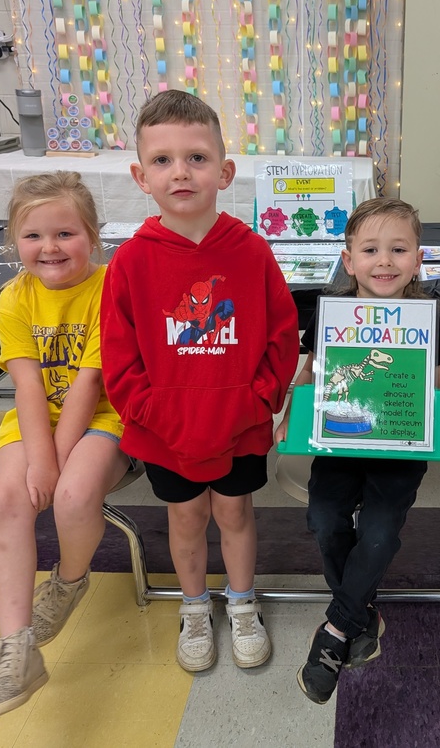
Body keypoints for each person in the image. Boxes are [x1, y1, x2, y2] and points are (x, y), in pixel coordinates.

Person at [100, 90, 299, 673]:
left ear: (224, 171)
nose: (180, 172)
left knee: (235, 514)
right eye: (162, 160)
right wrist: (153, 413)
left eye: (196, 157)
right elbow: (118, 357)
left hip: (239, 424)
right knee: (185, 518)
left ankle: (240, 603)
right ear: (140, 176)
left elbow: (282, 336)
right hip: (164, 431)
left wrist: (259, 399)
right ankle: (193, 606)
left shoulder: (252, 251)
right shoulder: (131, 263)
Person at [275, 197, 440, 705]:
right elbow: (312, 371)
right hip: (339, 444)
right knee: (323, 519)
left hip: (401, 445)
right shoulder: (330, 313)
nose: (384, 261)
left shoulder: (427, 318)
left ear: (418, 259)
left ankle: (338, 630)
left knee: (381, 533)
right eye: (370, 250)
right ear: (349, 260)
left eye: (398, 249)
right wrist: (289, 418)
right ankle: (362, 613)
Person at [0, 171, 131, 722]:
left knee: (71, 494)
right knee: (6, 501)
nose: (49, 248)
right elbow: (27, 386)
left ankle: (69, 581)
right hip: (35, 416)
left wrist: (55, 464)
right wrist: (37, 458)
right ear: (14, 242)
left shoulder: (111, 287)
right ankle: (15, 645)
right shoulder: (13, 299)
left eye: (65, 233)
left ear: (92, 235)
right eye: (33, 236)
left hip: (107, 415)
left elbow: (90, 383)